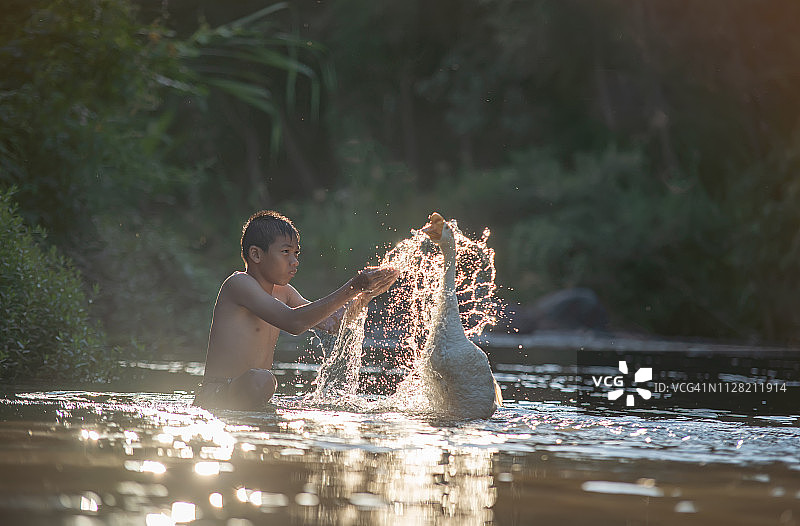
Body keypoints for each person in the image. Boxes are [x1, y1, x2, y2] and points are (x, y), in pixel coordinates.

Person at [193, 210, 399, 410]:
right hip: (219, 394)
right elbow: (294, 323)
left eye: (296, 253)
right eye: (285, 252)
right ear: (256, 254)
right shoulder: (239, 284)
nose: (294, 261)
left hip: (252, 392)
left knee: (263, 381)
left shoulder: (285, 292)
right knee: (262, 379)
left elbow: (333, 324)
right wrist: (353, 287)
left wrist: (365, 295)